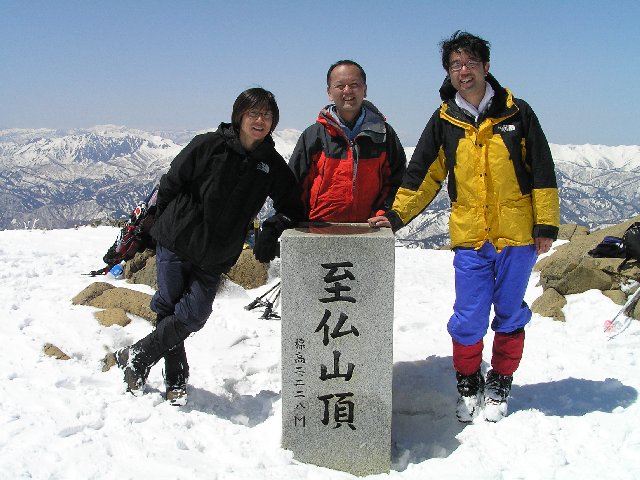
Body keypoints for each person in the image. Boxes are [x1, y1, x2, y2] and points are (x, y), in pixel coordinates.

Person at [369, 31, 560, 422]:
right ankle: (468, 381)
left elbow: (541, 170)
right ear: (449, 73)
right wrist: (395, 216)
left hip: (518, 235)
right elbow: (422, 175)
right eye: (455, 65)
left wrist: (546, 224)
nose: (463, 70)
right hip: (471, 236)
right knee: (469, 316)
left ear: (486, 67)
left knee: (510, 313)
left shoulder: (517, 113)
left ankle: (500, 381)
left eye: (470, 63)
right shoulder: (444, 120)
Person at [113, 87, 304, 405]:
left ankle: (137, 354)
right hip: (177, 240)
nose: (260, 120)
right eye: (253, 113)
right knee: (169, 309)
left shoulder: (270, 164)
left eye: (267, 115)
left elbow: (293, 206)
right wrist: (162, 226)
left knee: (193, 315)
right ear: (239, 116)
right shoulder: (208, 145)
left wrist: (272, 228)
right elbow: (172, 181)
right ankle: (176, 381)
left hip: (217, 253)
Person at [289, 60, 406, 223]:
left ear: (364, 89)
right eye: (340, 86)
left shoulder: (383, 134)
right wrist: (298, 221)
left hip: (370, 230)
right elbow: (294, 184)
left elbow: (397, 180)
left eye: (354, 84)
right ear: (329, 92)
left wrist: (385, 213)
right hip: (319, 230)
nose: (347, 91)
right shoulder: (315, 135)